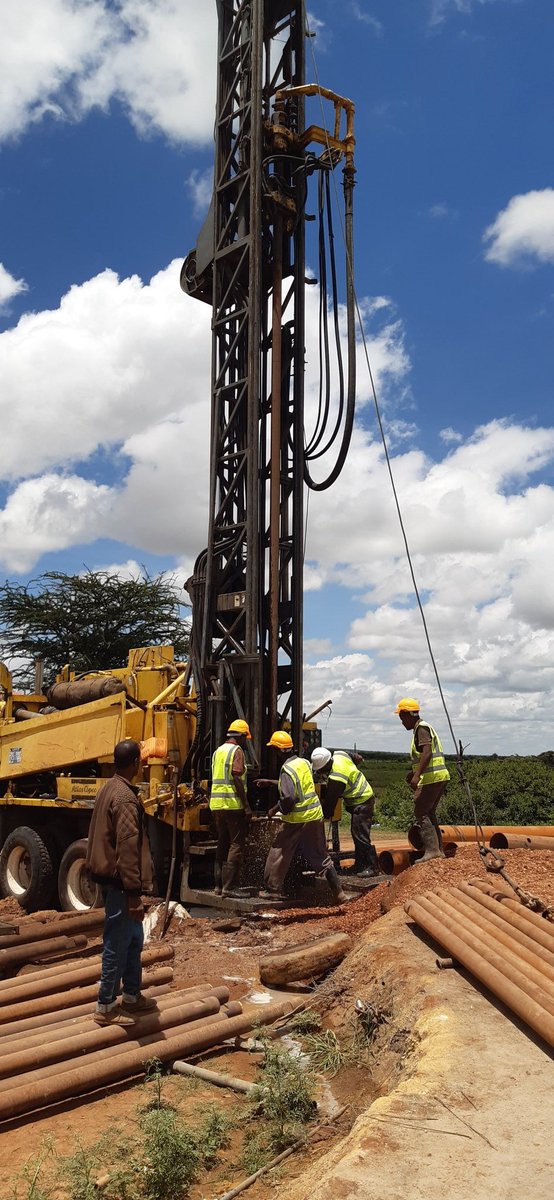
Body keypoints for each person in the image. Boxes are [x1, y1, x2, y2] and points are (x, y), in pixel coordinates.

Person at [85, 738, 155, 1026]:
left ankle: (131, 995)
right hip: (119, 884)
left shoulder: (110, 788)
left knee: (134, 940)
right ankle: (105, 1006)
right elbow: (127, 847)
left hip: (116, 881)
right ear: (136, 763)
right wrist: (133, 893)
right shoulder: (125, 798)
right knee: (117, 941)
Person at [261, 730, 347, 903]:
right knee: (320, 854)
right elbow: (298, 784)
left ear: (278, 750)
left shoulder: (286, 769)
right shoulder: (304, 763)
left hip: (297, 819)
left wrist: (274, 810)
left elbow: (289, 798)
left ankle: (273, 890)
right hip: (315, 815)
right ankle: (339, 893)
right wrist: (273, 782)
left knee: (279, 850)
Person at [311, 747, 386, 881]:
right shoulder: (340, 755)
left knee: (360, 834)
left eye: (321, 770)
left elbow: (331, 801)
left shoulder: (337, 777)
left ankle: (373, 867)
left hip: (362, 800)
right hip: (361, 799)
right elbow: (358, 757)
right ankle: (360, 865)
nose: (321, 773)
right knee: (356, 833)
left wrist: (322, 816)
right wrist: (352, 771)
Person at [395, 698, 450, 862]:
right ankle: (438, 851)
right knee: (429, 812)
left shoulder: (421, 728)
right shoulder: (424, 728)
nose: (401, 722)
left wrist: (417, 775)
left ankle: (432, 851)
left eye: (401, 717)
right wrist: (412, 773)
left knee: (421, 811)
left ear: (406, 714)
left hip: (432, 778)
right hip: (439, 777)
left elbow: (427, 753)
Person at [209, 719, 254, 897]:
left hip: (217, 805)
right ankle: (229, 887)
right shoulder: (237, 751)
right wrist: (246, 806)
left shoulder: (218, 751)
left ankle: (218, 886)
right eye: (245, 738)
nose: (245, 741)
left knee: (222, 842)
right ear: (241, 736)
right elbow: (236, 777)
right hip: (232, 804)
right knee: (236, 844)